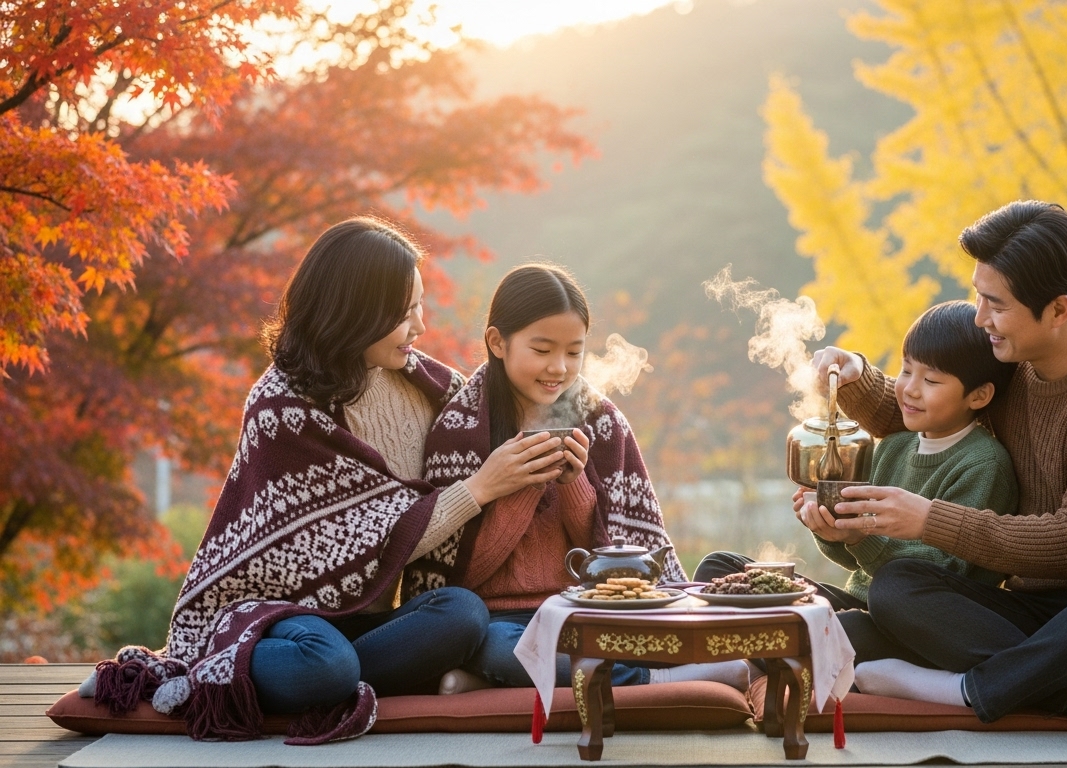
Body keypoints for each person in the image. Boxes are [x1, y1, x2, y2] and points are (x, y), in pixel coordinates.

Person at [815, 201, 1067, 743]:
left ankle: (969, 689)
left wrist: (929, 520)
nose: (980, 318)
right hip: (1040, 618)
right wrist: (856, 379)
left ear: (1058, 310)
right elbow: (935, 411)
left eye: (995, 304)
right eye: (979, 297)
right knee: (896, 585)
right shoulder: (1015, 369)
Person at [83, 217, 494, 743]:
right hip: (278, 614)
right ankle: (221, 670)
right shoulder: (281, 408)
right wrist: (480, 488)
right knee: (324, 665)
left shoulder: (430, 388)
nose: (421, 325)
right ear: (356, 311)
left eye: (419, 304)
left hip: (361, 614)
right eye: (405, 310)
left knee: (462, 615)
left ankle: (336, 682)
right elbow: (352, 538)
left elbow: (491, 419)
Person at [407, 263, 752, 692]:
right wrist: (519, 486)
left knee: (647, 631)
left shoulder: (601, 422)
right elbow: (459, 577)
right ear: (498, 342)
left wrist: (574, 485)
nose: (558, 368)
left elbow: (618, 563)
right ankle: (651, 679)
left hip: (587, 607)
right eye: (542, 349)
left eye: (574, 352)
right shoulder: (458, 429)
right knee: (497, 647)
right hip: (498, 617)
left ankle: (496, 680)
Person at [694, 301, 1019, 664]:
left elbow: (943, 571)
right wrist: (830, 525)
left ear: (979, 395)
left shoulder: (983, 465)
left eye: (930, 380)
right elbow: (855, 558)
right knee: (719, 569)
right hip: (858, 604)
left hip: (911, 623)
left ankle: (767, 651)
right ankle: (779, 650)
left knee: (846, 629)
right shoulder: (894, 446)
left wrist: (861, 538)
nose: (909, 389)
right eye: (906, 370)